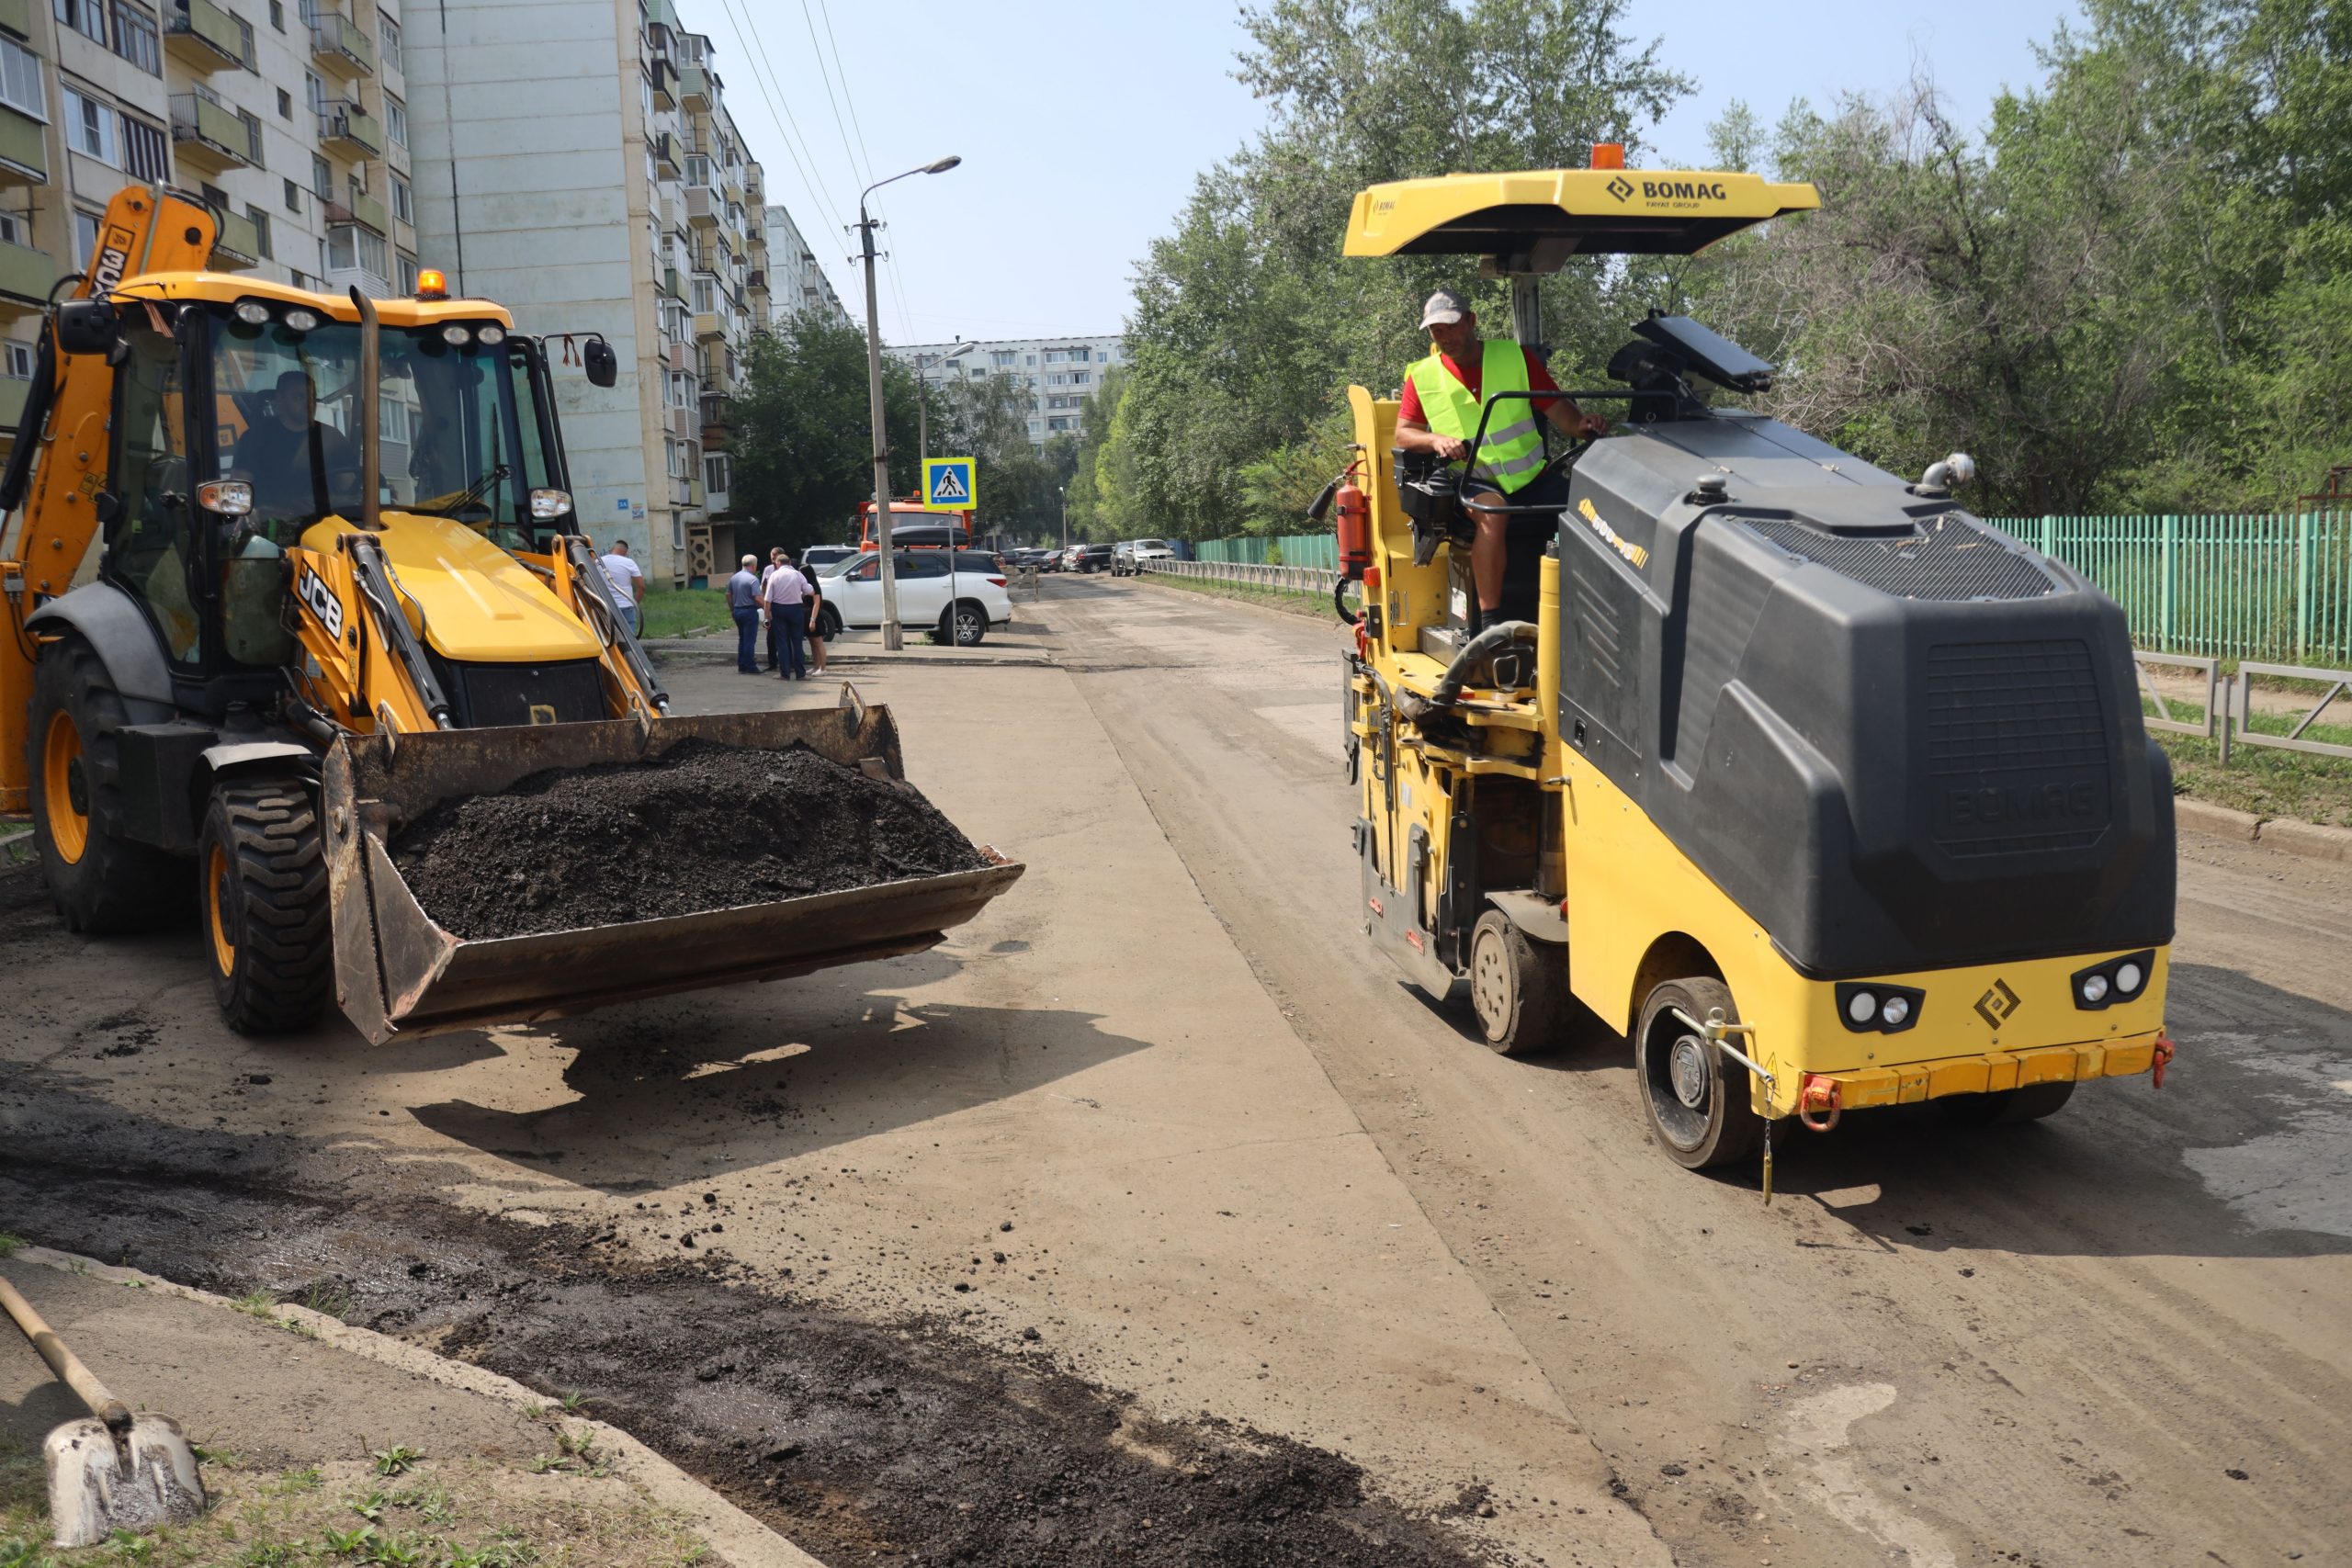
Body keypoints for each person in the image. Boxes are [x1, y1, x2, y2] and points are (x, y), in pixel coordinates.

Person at [1393, 288, 1607, 633]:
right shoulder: (1422, 376)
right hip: (1473, 480)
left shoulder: (1516, 358)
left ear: (1471, 321)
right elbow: (1404, 434)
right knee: (1494, 514)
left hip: (1533, 478)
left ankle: (1592, 607)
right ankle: (1492, 625)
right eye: (1436, 331)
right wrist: (1435, 440)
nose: (1445, 337)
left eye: (1451, 326)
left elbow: (1563, 415)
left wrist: (1584, 425)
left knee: (1591, 510)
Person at [231, 369, 356, 532]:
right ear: (280, 399)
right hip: (271, 528)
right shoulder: (256, 437)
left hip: (325, 528)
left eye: (312, 398)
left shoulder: (333, 438)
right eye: (299, 397)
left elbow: (348, 486)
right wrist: (247, 512)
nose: (309, 404)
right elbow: (238, 488)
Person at [761, 549, 811, 680]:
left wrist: (767, 617)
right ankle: (800, 673)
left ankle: (785, 673)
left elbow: (767, 599)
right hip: (796, 609)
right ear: (789, 562)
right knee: (797, 642)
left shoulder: (774, 575)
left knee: (782, 642)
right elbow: (809, 590)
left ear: (778, 563)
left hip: (779, 610)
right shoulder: (797, 574)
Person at [726, 553, 763, 674]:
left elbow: (728, 595)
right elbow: (757, 598)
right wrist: (767, 608)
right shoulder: (753, 579)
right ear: (753, 565)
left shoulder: (734, 578)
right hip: (749, 611)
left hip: (737, 610)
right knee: (749, 640)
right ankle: (750, 666)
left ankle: (742, 665)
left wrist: (732, 609)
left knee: (742, 639)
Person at [599, 539, 646, 636]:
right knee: (630, 639)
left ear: (612, 549)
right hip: (626, 606)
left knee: (610, 638)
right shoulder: (629, 562)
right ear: (626, 552)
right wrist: (634, 603)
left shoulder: (598, 562)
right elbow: (641, 587)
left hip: (606, 607)